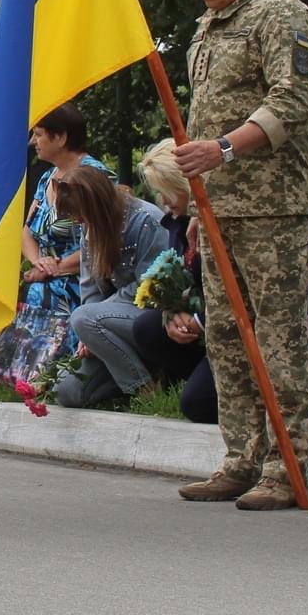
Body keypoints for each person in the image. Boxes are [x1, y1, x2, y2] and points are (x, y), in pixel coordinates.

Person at [173, 0, 308, 511]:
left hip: (270, 208)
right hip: (218, 207)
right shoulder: (210, 25)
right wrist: (197, 202)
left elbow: (291, 102)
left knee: (278, 341)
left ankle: (288, 468)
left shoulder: (281, 15)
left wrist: (225, 149)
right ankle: (239, 459)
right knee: (227, 339)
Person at [0, 104, 108, 385]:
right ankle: (29, 373)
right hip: (46, 274)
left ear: (60, 137)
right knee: (31, 291)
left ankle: (51, 373)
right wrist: (39, 261)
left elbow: (102, 241)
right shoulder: (45, 178)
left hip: (82, 281)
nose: (32, 142)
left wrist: (56, 268)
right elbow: (26, 231)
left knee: (43, 292)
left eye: (38, 134)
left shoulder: (95, 177)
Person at [53, 165, 174, 408]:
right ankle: (131, 374)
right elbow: (90, 288)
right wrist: (88, 335)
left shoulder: (147, 220)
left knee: (83, 318)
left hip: (149, 318)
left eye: (80, 215)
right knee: (66, 392)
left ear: (95, 205)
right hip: (105, 323)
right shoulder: (89, 226)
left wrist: (91, 320)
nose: (77, 222)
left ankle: (142, 390)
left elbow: (150, 287)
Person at [125, 140, 218, 423]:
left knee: (197, 407)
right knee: (147, 326)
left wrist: (199, 321)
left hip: (232, 326)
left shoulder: (217, 222)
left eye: (166, 192)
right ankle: (194, 375)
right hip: (203, 320)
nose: (163, 202)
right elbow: (183, 276)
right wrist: (172, 313)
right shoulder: (177, 223)